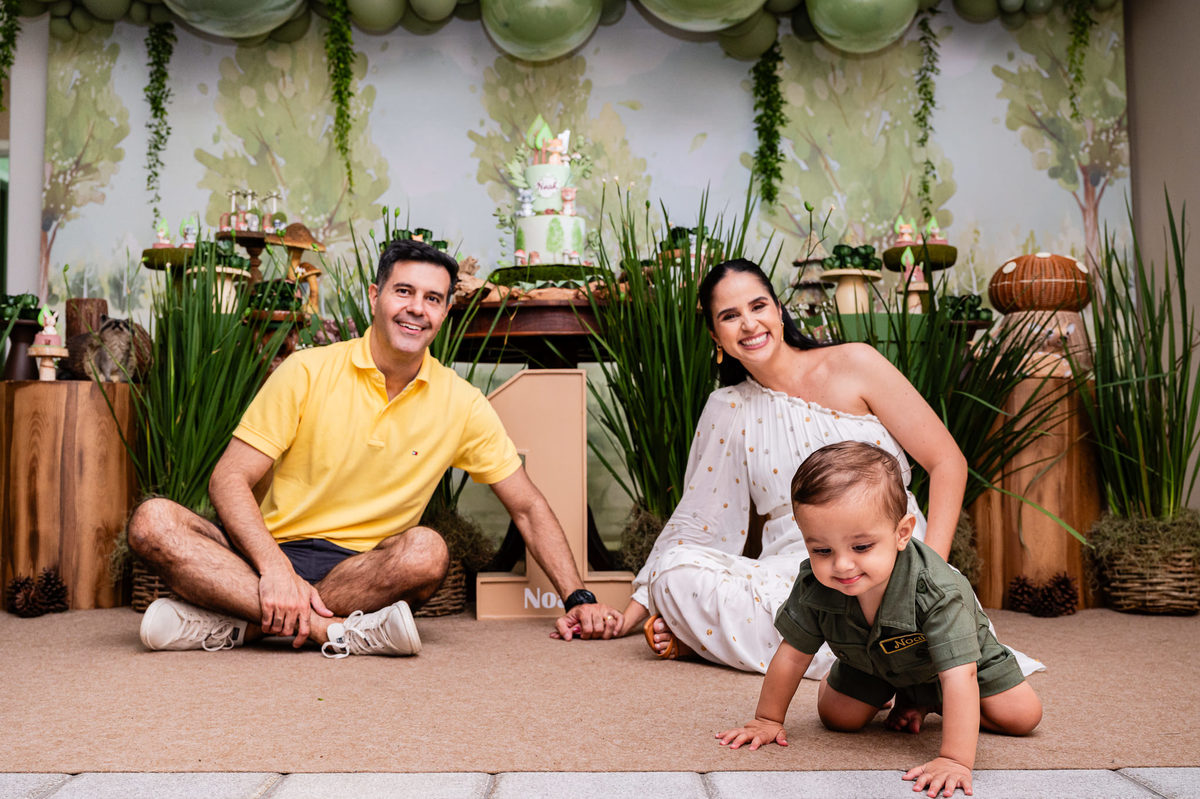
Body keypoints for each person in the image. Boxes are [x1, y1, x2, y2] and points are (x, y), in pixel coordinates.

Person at [129, 238, 622, 658]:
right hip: (261, 554)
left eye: (432, 298)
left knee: (428, 552)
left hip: (359, 570)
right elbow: (228, 478)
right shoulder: (306, 370)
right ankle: (332, 631)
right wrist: (275, 569)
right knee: (153, 521)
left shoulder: (462, 403)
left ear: (446, 312)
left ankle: (243, 623)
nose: (416, 308)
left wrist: (577, 596)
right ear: (375, 296)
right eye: (403, 291)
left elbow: (529, 507)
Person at [610, 258, 1041, 683]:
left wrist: (935, 572)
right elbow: (697, 518)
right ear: (715, 335)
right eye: (729, 315)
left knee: (877, 606)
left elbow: (947, 462)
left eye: (758, 306)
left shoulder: (857, 363)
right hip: (802, 571)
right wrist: (634, 612)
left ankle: (872, 657)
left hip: (888, 556)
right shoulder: (728, 408)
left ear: (779, 311)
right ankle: (883, 665)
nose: (748, 324)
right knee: (676, 570)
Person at [718, 442, 1042, 798]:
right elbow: (793, 654)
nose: (841, 565)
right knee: (837, 717)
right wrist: (768, 719)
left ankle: (929, 701)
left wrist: (954, 759)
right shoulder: (815, 583)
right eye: (822, 550)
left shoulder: (937, 591)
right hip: (873, 662)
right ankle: (895, 693)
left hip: (961, 664)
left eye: (861, 547)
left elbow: (960, 676)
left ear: (902, 533)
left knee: (1023, 716)